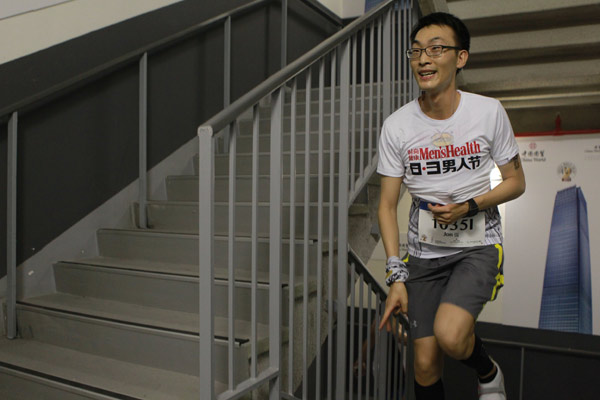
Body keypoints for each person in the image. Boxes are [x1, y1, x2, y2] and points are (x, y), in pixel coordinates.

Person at [376, 12, 526, 400]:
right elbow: (387, 206)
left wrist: (470, 205)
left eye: (437, 49)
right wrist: (396, 276)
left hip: (476, 247)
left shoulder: (488, 112)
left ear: (461, 58)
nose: (424, 59)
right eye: (416, 52)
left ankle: (488, 372)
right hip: (423, 257)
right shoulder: (397, 126)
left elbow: (516, 182)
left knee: (451, 335)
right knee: (423, 364)